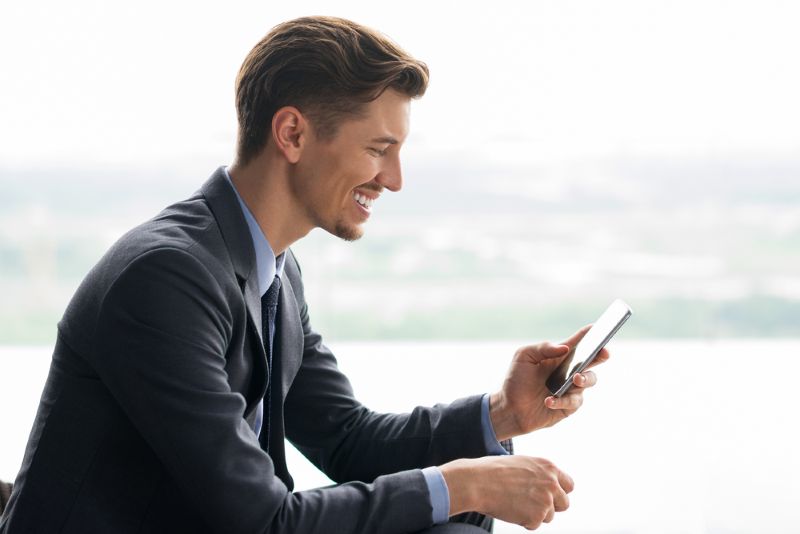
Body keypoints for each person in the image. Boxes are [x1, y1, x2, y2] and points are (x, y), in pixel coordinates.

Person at [0, 16, 608, 534]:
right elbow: (262, 521)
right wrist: (461, 484)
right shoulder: (166, 278)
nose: (394, 179)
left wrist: (503, 412)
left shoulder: (272, 273)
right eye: (378, 149)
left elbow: (349, 441)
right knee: (457, 502)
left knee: (458, 509)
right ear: (292, 133)